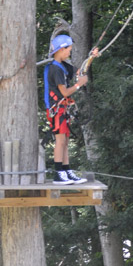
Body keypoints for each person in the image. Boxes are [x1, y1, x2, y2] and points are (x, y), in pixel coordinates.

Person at [44, 34, 97, 183]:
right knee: (60, 141)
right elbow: (65, 92)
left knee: (65, 141)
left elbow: (81, 71)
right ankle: (58, 173)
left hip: (63, 109)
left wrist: (91, 57)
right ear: (61, 50)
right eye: (68, 49)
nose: (69, 53)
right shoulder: (55, 69)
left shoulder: (63, 65)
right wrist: (79, 84)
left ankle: (66, 170)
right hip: (57, 110)